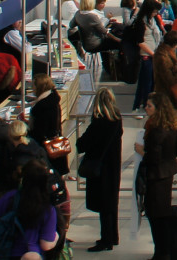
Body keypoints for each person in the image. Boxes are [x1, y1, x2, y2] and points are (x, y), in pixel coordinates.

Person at [76, 89, 124, 252]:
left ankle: (106, 239)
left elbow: (82, 145)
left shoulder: (98, 122)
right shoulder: (117, 120)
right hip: (113, 167)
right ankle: (113, 235)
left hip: (99, 168)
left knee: (103, 205)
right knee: (111, 202)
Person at [136, 99, 177, 260]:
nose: (146, 108)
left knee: (156, 214)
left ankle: (162, 251)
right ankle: (164, 249)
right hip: (167, 173)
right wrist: (170, 159)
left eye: (149, 105)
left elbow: (153, 157)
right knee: (162, 212)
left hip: (156, 175)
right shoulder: (171, 126)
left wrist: (142, 152)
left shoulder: (156, 130)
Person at [0, 162, 61, 260]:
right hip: (30, 254)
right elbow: (46, 245)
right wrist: (56, 236)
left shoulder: (9, 198)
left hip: (4, 252)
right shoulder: (47, 209)